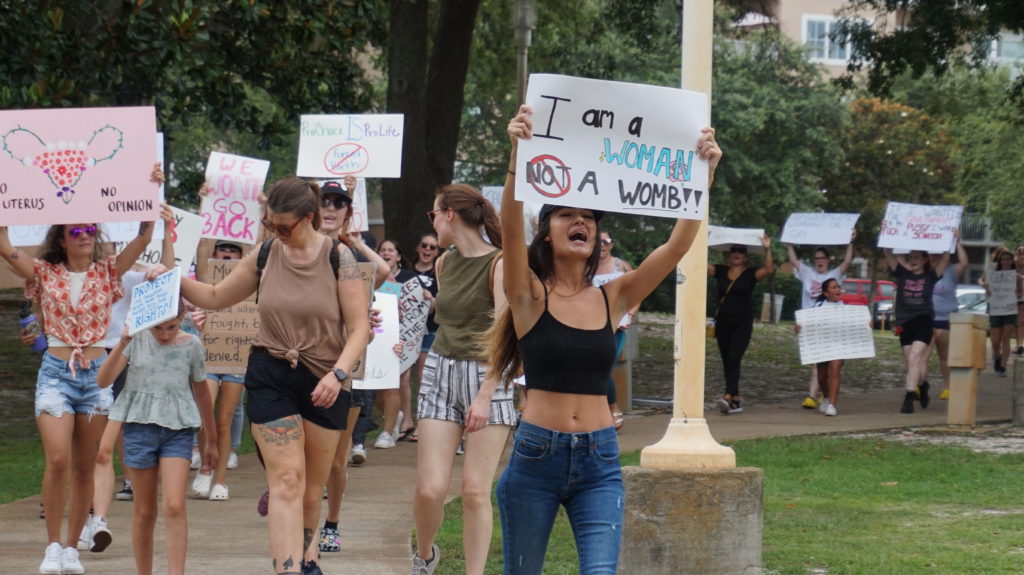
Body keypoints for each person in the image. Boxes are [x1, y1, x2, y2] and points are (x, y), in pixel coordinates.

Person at [491, 105, 717, 574]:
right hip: (536, 457)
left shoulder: (614, 297)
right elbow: (510, 227)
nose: (583, 222)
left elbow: (675, 248)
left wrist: (702, 176)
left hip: (600, 460)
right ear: (547, 232)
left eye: (590, 217)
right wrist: (518, 154)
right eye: (567, 215)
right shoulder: (529, 296)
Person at [153, 176, 370, 574]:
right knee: (286, 478)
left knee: (310, 491)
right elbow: (216, 298)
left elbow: (359, 329)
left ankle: (308, 561)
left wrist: (337, 375)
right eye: (270, 224)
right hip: (270, 371)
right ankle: (286, 569)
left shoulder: (341, 260)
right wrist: (170, 279)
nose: (275, 232)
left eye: (283, 226)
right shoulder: (266, 253)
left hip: (325, 378)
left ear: (309, 219)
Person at [0, 167, 162, 575]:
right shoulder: (44, 272)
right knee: (57, 460)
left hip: (96, 376)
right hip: (55, 372)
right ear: (61, 238)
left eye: (90, 228)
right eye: (76, 231)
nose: (85, 234)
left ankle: (72, 548)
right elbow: (3, 244)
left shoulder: (109, 272)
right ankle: (52, 546)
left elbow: (145, 234)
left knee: (85, 465)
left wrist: (150, 185)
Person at [410, 183, 514, 575]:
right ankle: (424, 556)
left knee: (473, 491)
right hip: (440, 368)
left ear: (450, 214)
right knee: (430, 488)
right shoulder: (444, 262)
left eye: (434, 213)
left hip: (489, 374)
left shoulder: (500, 264)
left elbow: (507, 333)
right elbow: (450, 313)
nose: (433, 221)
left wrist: (486, 395)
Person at [95, 304, 217, 575]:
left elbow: (202, 393)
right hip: (140, 428)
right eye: (157, 327)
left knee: (174, 504)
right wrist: (122, 342)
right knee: (144, 511)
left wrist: (211, 439)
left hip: (178, 429)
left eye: (171, 327)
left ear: (182, 319)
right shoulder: (136, 340)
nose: (163, 334)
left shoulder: (191, 345)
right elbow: (103, 380)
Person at [317, 177, 387, 554]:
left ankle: (331, 523)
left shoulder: (355, 255)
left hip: (347, 370)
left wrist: (354, 239)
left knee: (337, 462)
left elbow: (385, 274)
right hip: (304, 366)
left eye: (338, 202)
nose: (330, 207)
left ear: (347, 211)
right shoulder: (293, 249)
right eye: (323, 201)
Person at [189, 238, 248, 502]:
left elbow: (252, 249)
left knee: (225, 420)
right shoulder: (207, 278)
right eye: (222, 249)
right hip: (210, 354)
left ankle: (221, 480)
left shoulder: (250, 280)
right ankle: (205, 466)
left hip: (237, 356)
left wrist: (256, 214)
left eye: (233, 250)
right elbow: (202, 250)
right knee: (205, 417)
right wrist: (209, 208)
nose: (227, 255)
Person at [883, 235, 953, 413]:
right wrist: (886, 233)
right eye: (910, 258)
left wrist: (952, 238)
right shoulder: (903, 274)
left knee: (915, 358)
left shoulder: (931, 276)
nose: (913, 261)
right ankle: (922, 386)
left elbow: (945, 257)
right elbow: (887, 253)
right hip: (905, 323)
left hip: (923, 321)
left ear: (924, 260)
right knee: (910, 363)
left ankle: (908, 398)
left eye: (916, 258)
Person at [708, 236, 774, 415]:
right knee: (726, 360)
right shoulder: (720, 271)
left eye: (741, 251)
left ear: (746, 257)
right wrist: (701, 241)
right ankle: (736, 400)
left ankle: (728, 395)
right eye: (733, 250)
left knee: (734, 356)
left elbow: (768, 269)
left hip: (742, 322)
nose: (736, 253)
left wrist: (767, 248)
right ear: (729, 255)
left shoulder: (750, 273)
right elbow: (698, 263)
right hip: (722, 321)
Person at [785, 239, 854, 409]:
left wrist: (850, 242)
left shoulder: (835, 275)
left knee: (831, 365)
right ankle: (823, 394)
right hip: (810, 324)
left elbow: (847, 261)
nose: (819, 261)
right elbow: (793, 260)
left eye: (822, 257)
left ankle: (815, 396)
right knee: (818, 365)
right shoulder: (807, 272)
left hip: (831, 325)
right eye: (816, 258)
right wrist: (789, 242)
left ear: (828, 259)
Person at [591, 231, 638, 429]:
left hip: (615, 326)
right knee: (592, 369)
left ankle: (613, 410)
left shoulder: (621, 266)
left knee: (602, 368)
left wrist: (631, 314)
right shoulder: (586, 267)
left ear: (612, 244)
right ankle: (598, 412)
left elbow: (637, 292)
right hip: (591, 324)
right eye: (598, 241)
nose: (602, 245)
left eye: (606, 241)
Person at [374, 239, 418, 448]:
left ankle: (386, 432)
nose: (386, 253)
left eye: (390, 250)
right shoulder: (365, 276)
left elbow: (409, 314)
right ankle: (394, 416)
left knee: (393, 384)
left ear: (398, 256)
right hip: (370, 335)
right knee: (372, 391)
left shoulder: (398, 281)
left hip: (394, 336)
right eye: (382, 250)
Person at [794, 278, 845, 416]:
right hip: (822, 346)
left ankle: (832, 405)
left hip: (838, 345)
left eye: (838, 287)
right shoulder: (818, 308)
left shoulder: (845, 308)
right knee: (822, 378)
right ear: (826, 292)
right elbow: (807, 326)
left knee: (834, 370)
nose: (838, 290)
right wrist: (799, 328)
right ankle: (827, 397)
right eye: (834, 287)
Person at [410, 231, 441, 442]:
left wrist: (431, 300)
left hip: (428, 331)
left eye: (432, 247)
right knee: (399, 380)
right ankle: (403, 421)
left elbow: (440, 307)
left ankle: (422, 424)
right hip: (404, 332)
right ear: (418, 248)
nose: (428, 250)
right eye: (424, 245)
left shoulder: (439, 274)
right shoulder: (406, 273)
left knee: (423, 378)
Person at [929, 238, 968, 399]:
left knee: (944, 354)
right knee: (922, 354)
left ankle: (947, 387)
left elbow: (964, 263)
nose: (934, 256)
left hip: (945, 318)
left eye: (938, 253)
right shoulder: (923, 270)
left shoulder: (951, 270)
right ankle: (918, 385)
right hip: (926, 318)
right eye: (932, 253)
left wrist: (956, 242)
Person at [978, 246, 1021, 377]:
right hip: (996, 308)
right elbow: (980, 280)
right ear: (1000, 260)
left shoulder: (1015, 275)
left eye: (1008, 259)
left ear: (1011, 261)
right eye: (1003, 259)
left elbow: (1020, 292)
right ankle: (997, 355)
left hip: (1009, 309)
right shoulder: (992, 272)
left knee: (1005, 338)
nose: (1005, 261)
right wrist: (984, 285)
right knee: (995, 340)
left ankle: (1003, 366)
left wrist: (1017, 293)